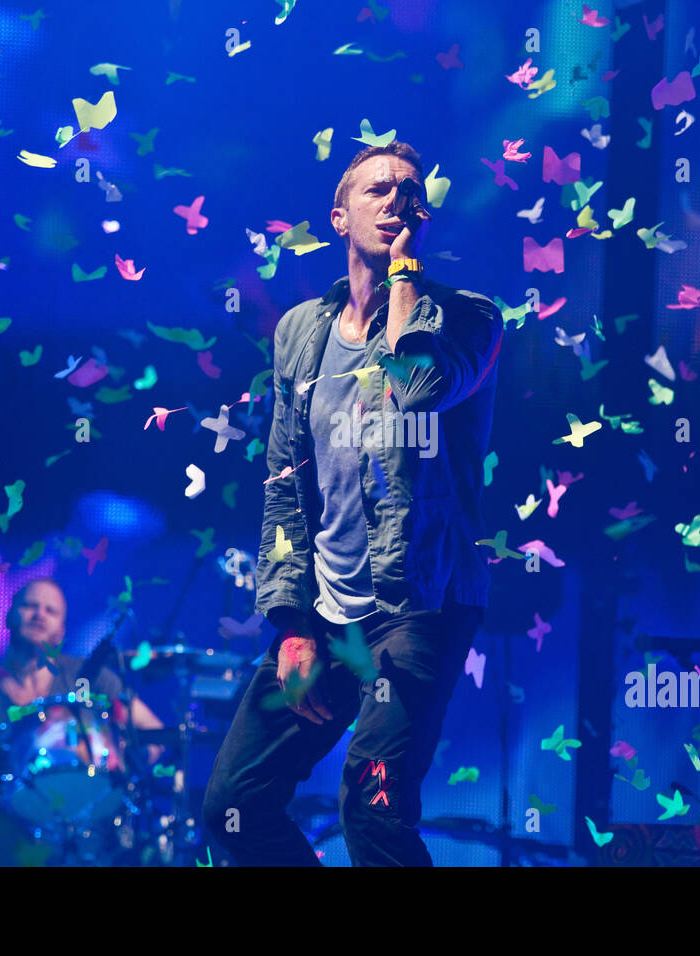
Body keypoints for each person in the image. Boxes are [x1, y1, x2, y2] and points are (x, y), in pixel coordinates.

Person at [203, 141, 503, 865]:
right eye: (378, 189)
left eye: (409, 190)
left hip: (418, 604)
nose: (396, 198)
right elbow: (282, 481)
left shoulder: (468, 320)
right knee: (233, 807)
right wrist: (294, 622)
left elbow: (416, 390)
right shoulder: (301, 332)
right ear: (339, 216)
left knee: (371, 813)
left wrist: (404, 276)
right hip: (327, 613)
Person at [0, 578, 164, 766]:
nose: (39, 615)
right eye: (30, 606)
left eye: (50, 611)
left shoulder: (89, 677)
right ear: (9, 617)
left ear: (62, 630)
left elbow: (154, 731)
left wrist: (124, 770)